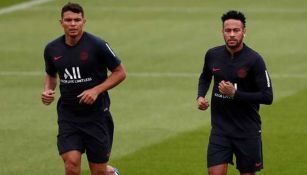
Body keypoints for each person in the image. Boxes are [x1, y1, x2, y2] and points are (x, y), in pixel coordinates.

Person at [41, 2, 125, 175]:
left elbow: (120, 72)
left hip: (96, 116)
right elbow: (51, 74)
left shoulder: (97, 45)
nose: (73, 24)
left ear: (83, 22)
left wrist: (96, 90)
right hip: (68, 116)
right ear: (61, 22)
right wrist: (47, 90)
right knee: (71, 164)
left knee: (98, 172)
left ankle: (111, 172)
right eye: (68, 20)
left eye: (77, 20)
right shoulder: (52, 49)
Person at [197, 10, 273, 175]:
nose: (231, 34)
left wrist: (235, 94)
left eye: (236, 30)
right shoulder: (212, 55)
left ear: (244, 32)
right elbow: (205, 76)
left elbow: (268, 96)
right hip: (220, 131)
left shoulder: (255, 60)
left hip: (247, 131)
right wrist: (200, 96)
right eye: (228, 30)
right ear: (222, 32)